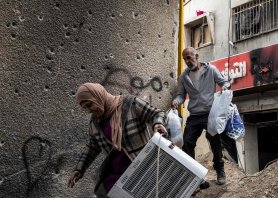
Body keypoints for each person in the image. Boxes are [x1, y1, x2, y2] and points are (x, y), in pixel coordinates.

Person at [68, 83, 167, 197]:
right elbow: (93, 146)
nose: (89, 111)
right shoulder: (95, 123)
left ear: (98, 96)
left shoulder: (131, 104)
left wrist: (158, 123)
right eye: (85, 108)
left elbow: (157, 113)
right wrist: (79, 169)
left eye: (90, 104)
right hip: (117, 175)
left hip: (142, 169)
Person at [171, 47, 230, 186]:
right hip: (194, 115)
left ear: (197, 56)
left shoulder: (211, 70)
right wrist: (176, 101)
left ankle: (220, 171)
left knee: (215, 142)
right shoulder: (184, 77)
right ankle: (195, 177)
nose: (187, 61)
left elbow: (225, 82)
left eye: (189, 57)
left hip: (210, 113)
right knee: (187, 143)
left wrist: (225, 87)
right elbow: (181, 95)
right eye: (185, 58)